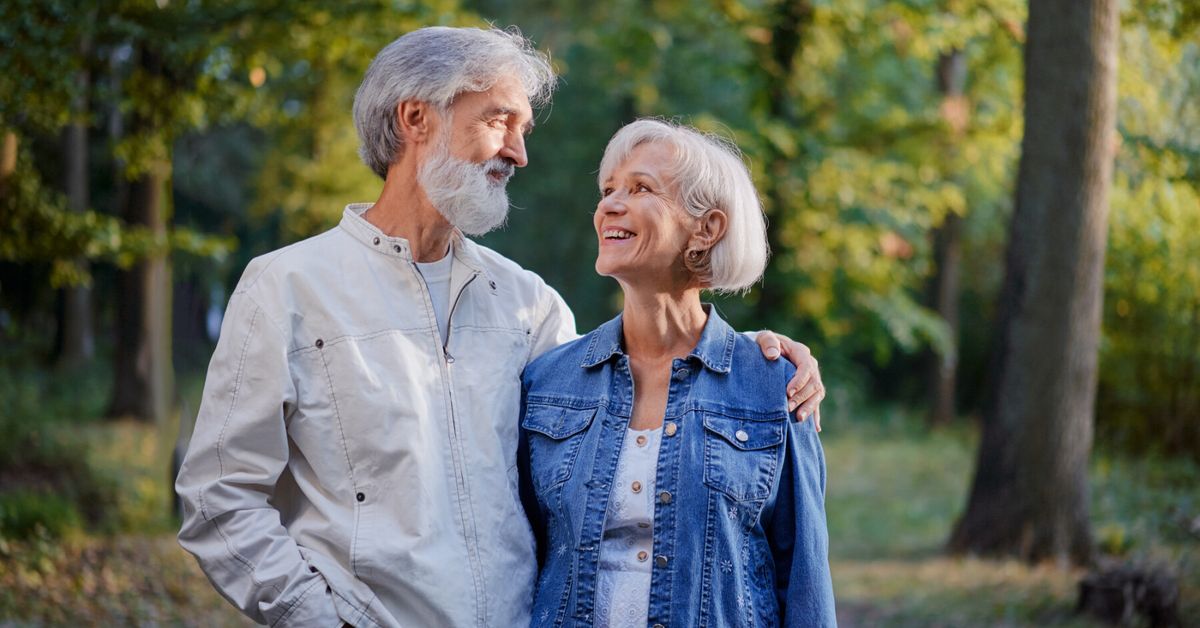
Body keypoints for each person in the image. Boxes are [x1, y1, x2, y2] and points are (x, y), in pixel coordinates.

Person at [176, 27, 826, 628]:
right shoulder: (288, 288)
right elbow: (219, 499)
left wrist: (758, 356)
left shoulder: (530, 308)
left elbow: (633, 426)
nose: (518, 152)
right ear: (415, 118)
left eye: (524, 130)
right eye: (498, 121)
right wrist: (318, 619)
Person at [520, 119, 837, 627]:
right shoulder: (546, 383)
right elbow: (518, 558)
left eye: (641, 188)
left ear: (706, 228)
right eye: (608, 190)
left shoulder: (773, 386)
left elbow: (803, 581)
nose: (610, 205)